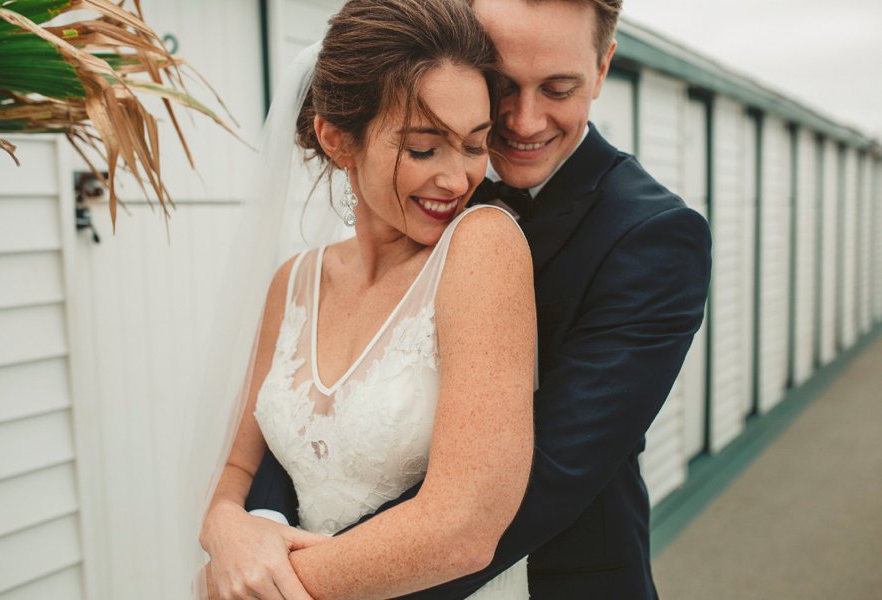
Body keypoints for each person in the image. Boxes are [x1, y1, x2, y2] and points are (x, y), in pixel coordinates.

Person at [242, 0, 712, 598]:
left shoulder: (654, 237)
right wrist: (256, 526)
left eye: (559, 88)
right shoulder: (419, 184)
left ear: (602, 68)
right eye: (501, 85)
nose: (521, 120)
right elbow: (316, 407)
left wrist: (300, 582)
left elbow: (546, 473)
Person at [197, 0, 537, 598]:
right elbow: (237, 470)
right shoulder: (294, 281)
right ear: (337, 140)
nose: (458, 180)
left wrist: (260, 588)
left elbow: (464, 531)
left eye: (474, 145)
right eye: (424, 148)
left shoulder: (482, 247)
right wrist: (225, 529)